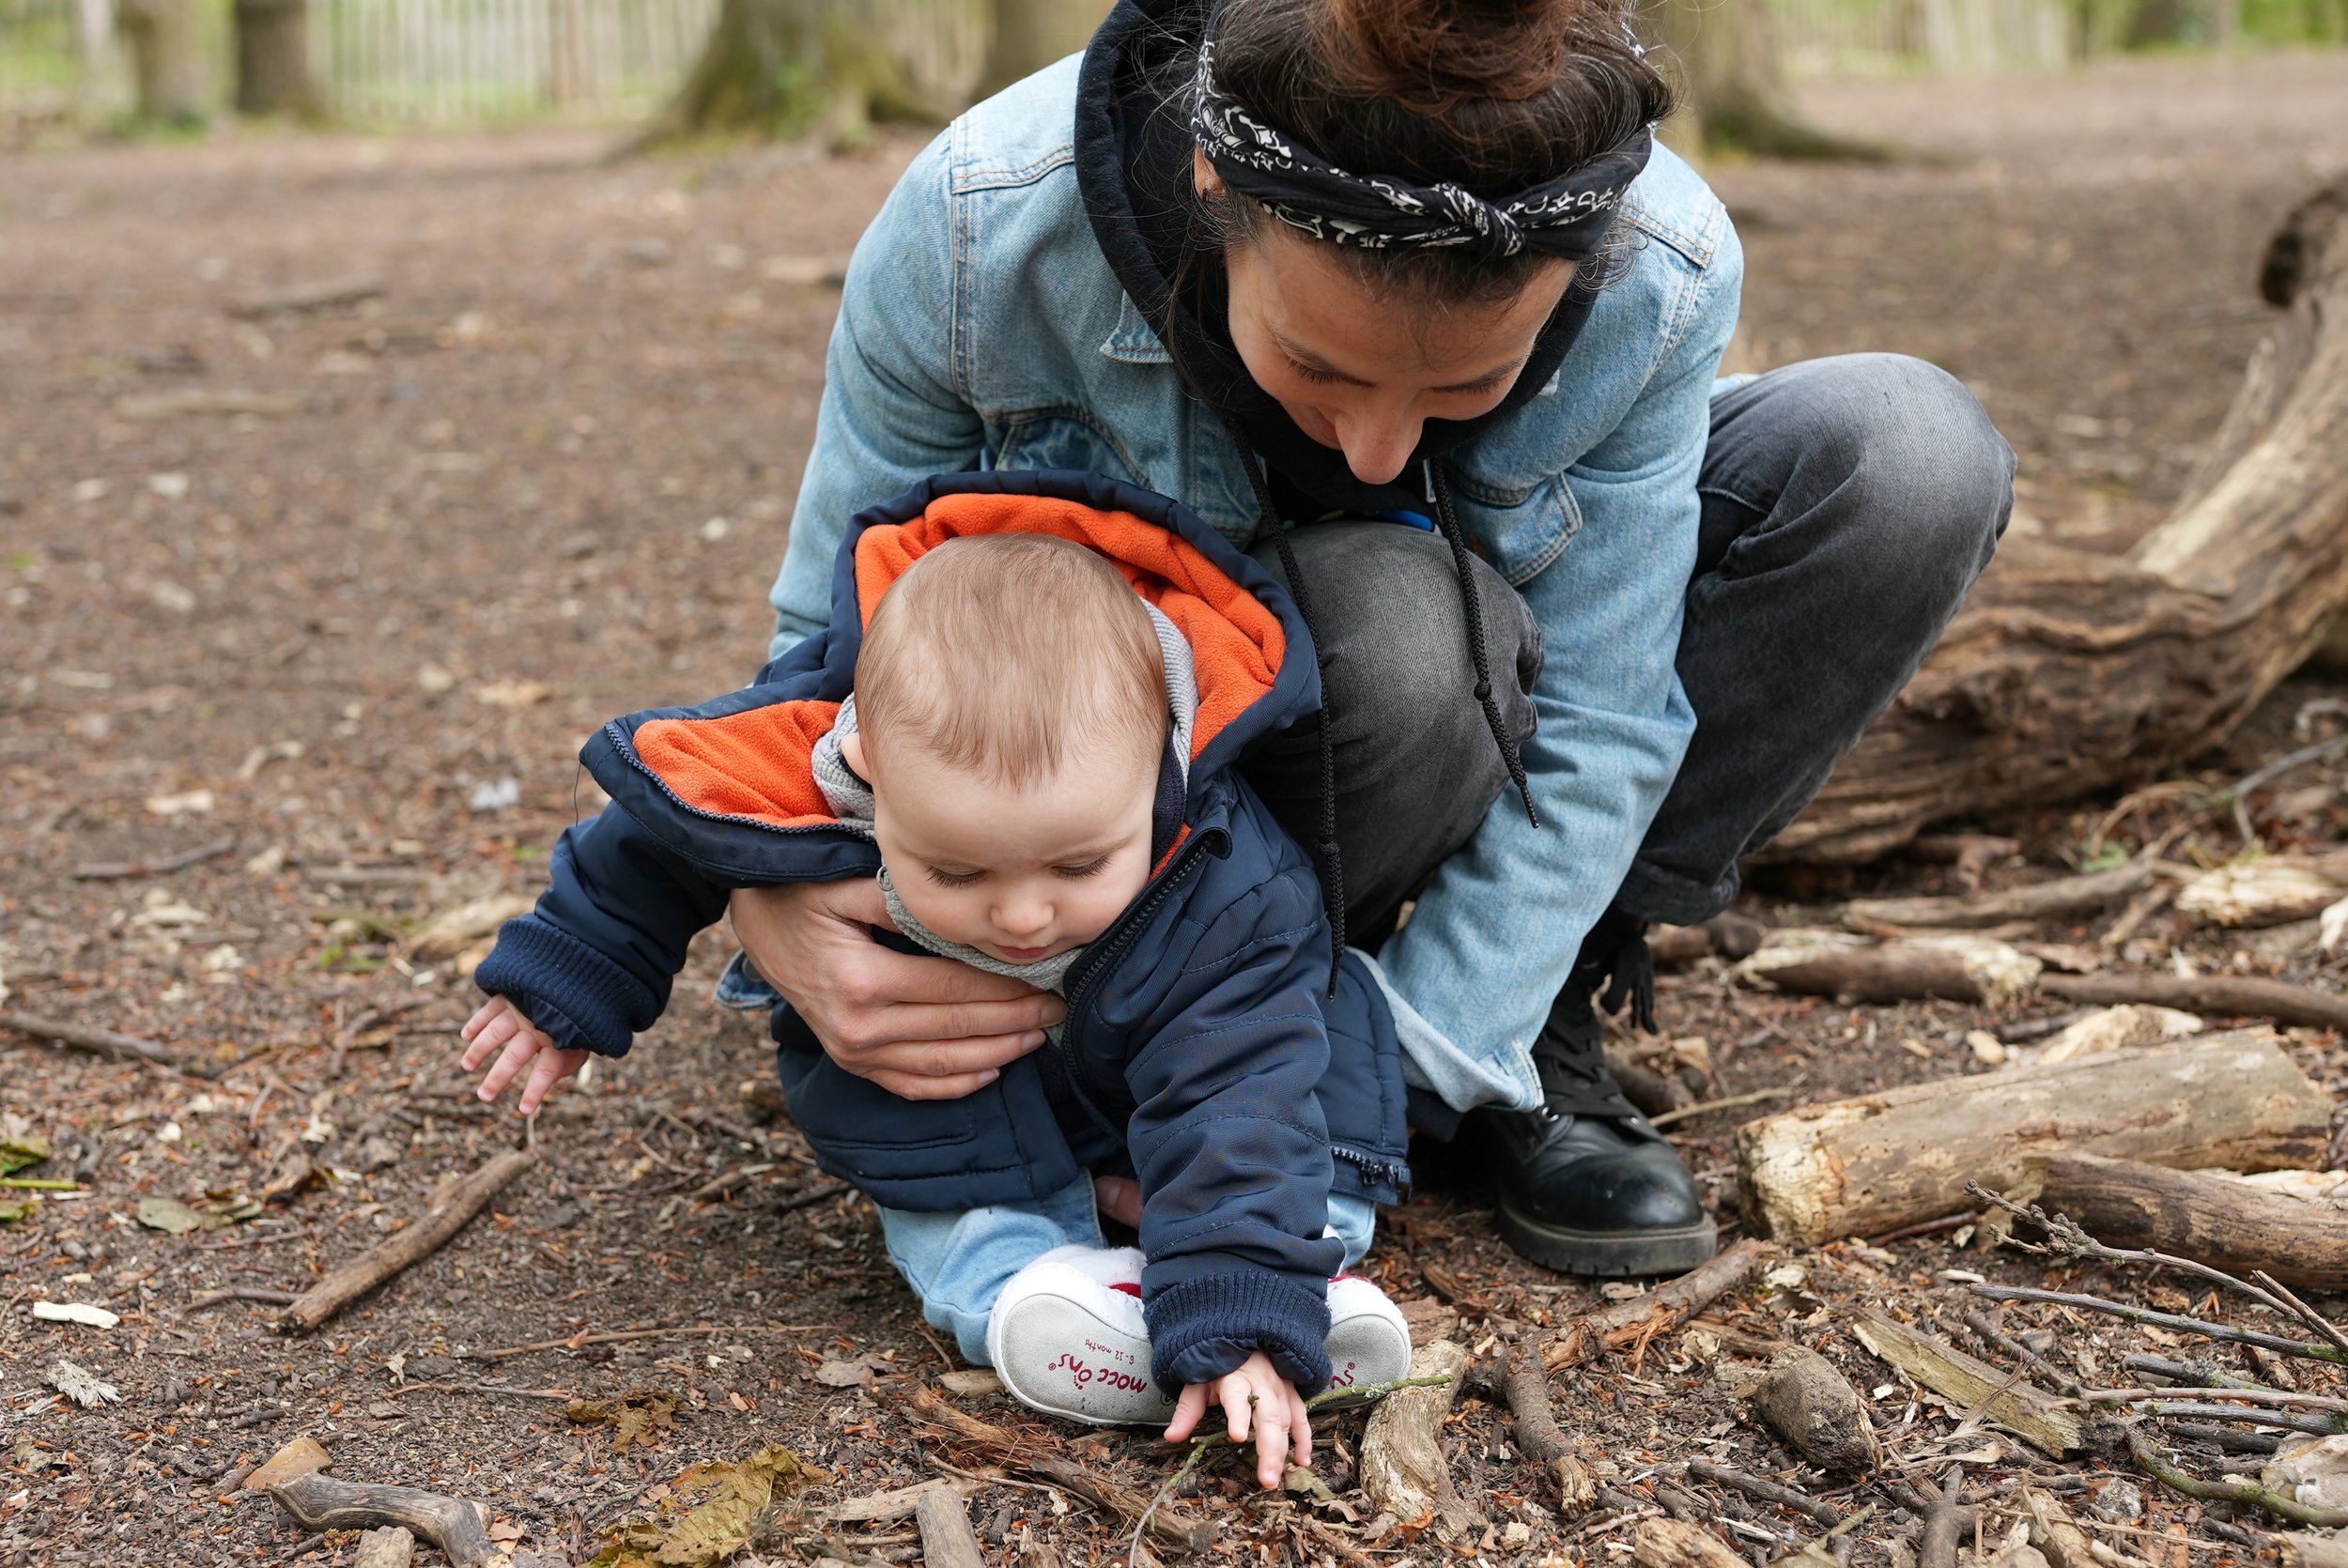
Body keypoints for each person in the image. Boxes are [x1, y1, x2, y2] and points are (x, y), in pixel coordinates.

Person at [719, 0, 2016, 1276]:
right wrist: (777, 901)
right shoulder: (978, 220)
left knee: (1905, 459)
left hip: (1456, 724)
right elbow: (834, 645)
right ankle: (1149, 1024)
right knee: (1403, 632)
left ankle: (1527, 1011)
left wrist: (1369, 1094)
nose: (1380, 445)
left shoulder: (1658, 266)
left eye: (1465, 388)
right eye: (1318, 368)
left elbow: (1612, 707)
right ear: (1210, 180)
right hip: (1152, 835)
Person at [459, 470, 1415, 1489]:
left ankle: (1287, 1288)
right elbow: (665, 835)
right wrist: (571, 979)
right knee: (954, 1199)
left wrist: (1242, 1279)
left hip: (1197, 1104)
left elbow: (1240, 1087)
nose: (1019, 914)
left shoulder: (1223, 879)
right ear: (871, 767)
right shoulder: (820, 762)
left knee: (1299, 1132)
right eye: (957, 871)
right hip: (961, 1112)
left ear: (1160, 768)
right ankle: (1037, 1297)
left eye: (1079, 864)